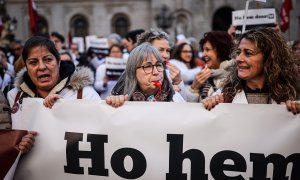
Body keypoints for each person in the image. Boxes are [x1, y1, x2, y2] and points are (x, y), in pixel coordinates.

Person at [7, 36, 101, 151]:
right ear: (26, 67)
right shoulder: (14, 97)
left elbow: (101, 134)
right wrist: (15, 148)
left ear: (58, 61)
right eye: (33, 62)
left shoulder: (85, 95)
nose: (41, 67)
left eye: (48, 59)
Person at [201, 28, 300, 114]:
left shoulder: (290, 95)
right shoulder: (225, 96)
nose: (239, 59)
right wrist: (209, 105)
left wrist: (295, 110)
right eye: (238, 52)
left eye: (248, 53)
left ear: (268, 59)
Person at [111, 29, 185, 99]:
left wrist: (177, 83)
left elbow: (184, 105)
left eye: (168, 50)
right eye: (160, 50)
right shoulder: (127, 79)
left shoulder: (170, 75)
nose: (166, 55)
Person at [106, 43, 185, 107]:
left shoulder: (175, 99)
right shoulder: (122, 101)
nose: (156, 72)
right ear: (133, 72)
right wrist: (114, 104)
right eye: (147, 66)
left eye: (158, 65)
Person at [187, 31, 234, 102]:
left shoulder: (235, 77)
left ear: (221, 50)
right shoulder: (203, 77)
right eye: (203, 50)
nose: (203, 54)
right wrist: (194, 89)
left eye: (207, 50)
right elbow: (191, 108)